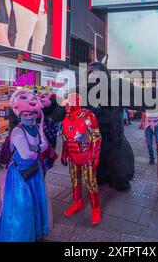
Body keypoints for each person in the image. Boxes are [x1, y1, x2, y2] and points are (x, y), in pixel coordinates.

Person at [0, 88, 50, 242]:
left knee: (36, 201)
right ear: (20, 115)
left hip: (34, 172)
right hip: (19, 176)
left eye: (32, 114)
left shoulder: (34, 128)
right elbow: (27, 153)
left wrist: (39, 147)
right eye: (26, 115)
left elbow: (44, 143)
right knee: (22, 207)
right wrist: (38, 148)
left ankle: (34, 233)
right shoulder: (18, 132)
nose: (30, 117)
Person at [61, 93, 102, 225]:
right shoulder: (66, 118)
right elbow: (65, 138)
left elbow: (96, 137)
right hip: (73, 157)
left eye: (68, 103)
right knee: (75, 181)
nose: (66, 106)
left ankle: (96, 208)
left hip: (87, 156)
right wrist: (64, 154)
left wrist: (95, 156)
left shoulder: (89, 116)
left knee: (91, 183)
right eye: (66, 103)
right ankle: (77, 203)